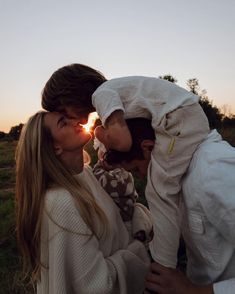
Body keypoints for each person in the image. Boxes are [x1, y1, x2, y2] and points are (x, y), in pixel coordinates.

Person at [41, 63, 210, 268]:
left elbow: (123, 141)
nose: (68, 118)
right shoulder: (112, 92)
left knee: (160, 191)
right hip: (183, 117)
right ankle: (184, 243)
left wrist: (98, 133)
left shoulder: (103, 95)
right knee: (174, 184)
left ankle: (163, 265)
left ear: (70, 95)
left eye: (62, 111)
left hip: (179, 121)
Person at [15, 111, 151, 294]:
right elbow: (97, 286)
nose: (75, 121)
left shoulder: (85, 174)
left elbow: (110, 232)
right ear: (56, 147)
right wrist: (138, 248)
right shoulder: (60, 203)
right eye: (63, 123)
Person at [105, 117, 235, 294]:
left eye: (136, 169)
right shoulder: (176, 173)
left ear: (148, 147)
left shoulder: (215, 174)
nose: (141, 176)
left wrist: (190, 291)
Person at [93, 137, 153, 243]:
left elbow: (101, 180)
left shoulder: (119, 176)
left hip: (124, 218)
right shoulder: (121, 174)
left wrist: (98, 167)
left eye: (101, 158)